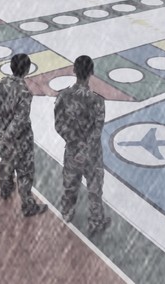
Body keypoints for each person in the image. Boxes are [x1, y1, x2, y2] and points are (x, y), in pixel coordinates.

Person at [55, 55, 111, 236]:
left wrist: (75, 144)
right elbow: (97, 130)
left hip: (72, 152)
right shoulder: (97, 101)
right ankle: (95, 221)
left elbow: (59, 125)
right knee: (94, 190)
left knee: (70, 185)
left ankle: (67, 212)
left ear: (74, 71)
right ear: (91, 72)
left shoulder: (63, 96)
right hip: (92, 155)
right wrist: (86, 149)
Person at [0, 54, 48, 217]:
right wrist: (10, 133)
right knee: (25, 171)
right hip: (21, 138)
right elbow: (20, 120)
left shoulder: (2, 84)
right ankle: (27, 205)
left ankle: (5, 189)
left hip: (5, 133)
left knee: (6, 162)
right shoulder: (24, 92)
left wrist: (2, 126)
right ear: (27, 70)